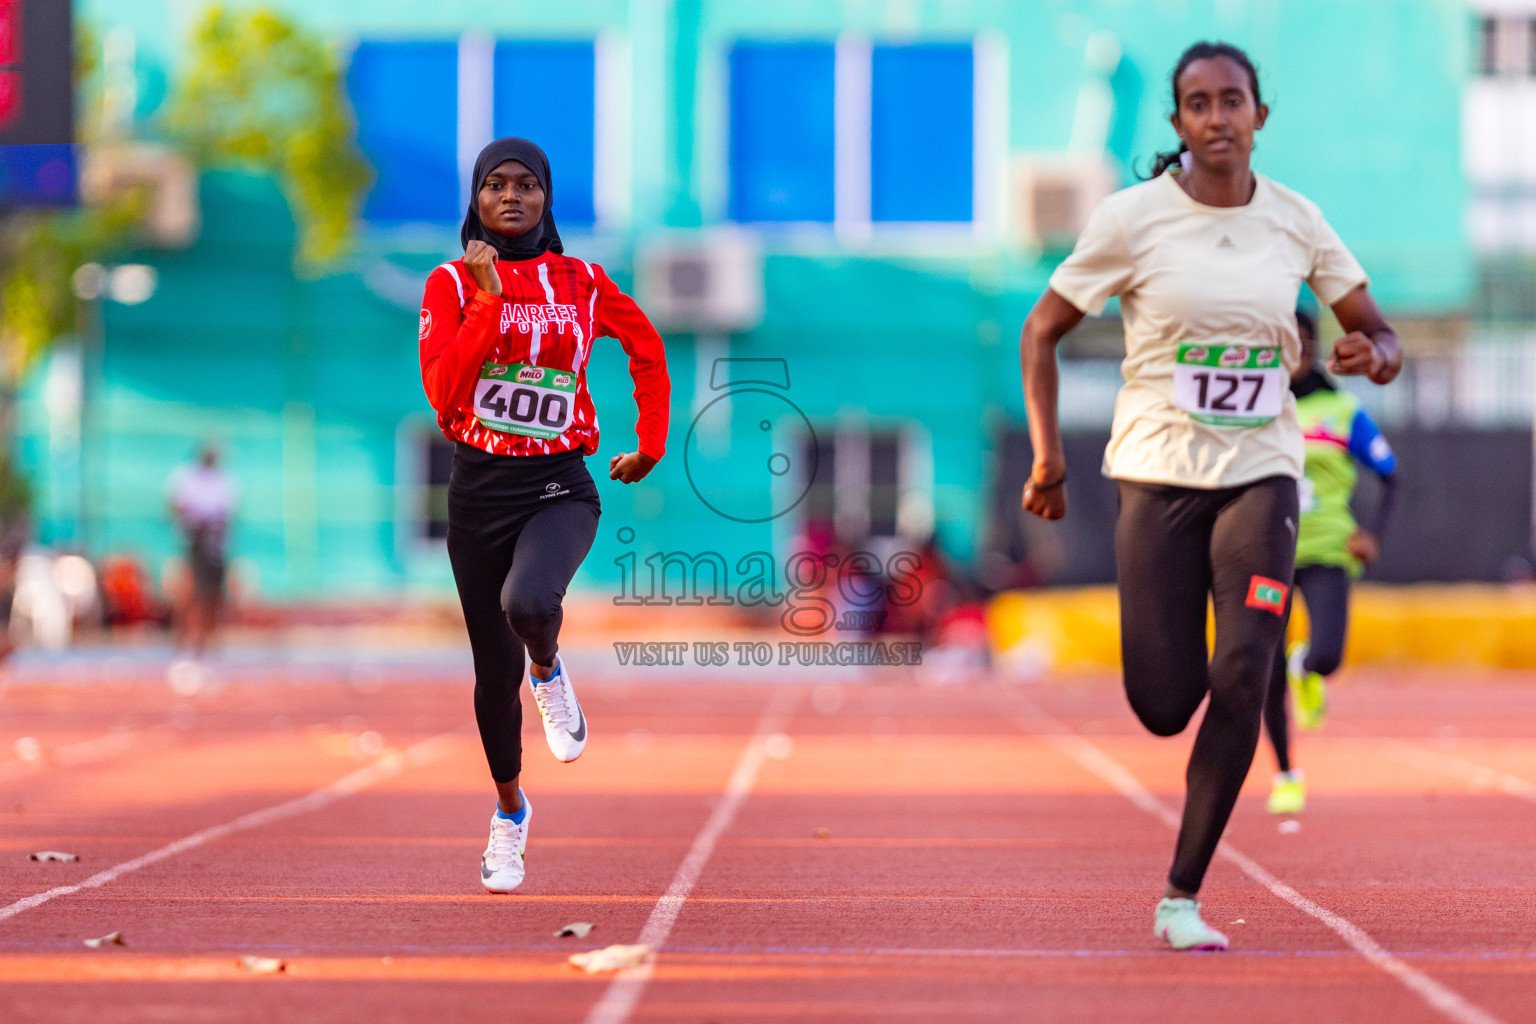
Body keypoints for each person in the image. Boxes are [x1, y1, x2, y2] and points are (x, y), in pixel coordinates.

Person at [1017, 41, 1401, 951]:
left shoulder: (1299, 222)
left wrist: (1368, 354)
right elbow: (1041, 331)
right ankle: (1182, 703)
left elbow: (1379, 334)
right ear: (1180, 122)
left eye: (1233, 101)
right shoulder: (1132, 220)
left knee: (1246, 670)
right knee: (1163, 700)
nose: (1218, 117)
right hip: (1156, 472)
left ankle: (1181, 896)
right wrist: (1047, 460)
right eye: (1198, 103)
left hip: (1261, 473)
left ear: (1259, 116)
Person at [418, 137, 669, 894]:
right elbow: (446, 394)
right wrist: (488, 298)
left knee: (530, 603)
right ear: (476, 200)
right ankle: (509, 813)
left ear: (547, 199)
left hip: (560, 482)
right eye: (496, 186)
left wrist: (649, 441)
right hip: (479, 491)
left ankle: (550, 669)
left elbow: (647, 347)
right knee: (492, 681)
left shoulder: (584, 280)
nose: (512, 197)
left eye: (528, 185)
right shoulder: (449, 284)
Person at [1263, 309, 1399, 815]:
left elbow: (1391, 475)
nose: (1293, 350)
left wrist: (1374, 535)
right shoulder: (1253, 407)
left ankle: (1308, 668)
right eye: (1283, 340)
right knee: (1264, 666)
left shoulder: (1343, 410)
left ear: (1316, 345)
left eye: (1303, 340)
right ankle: (1285, 774)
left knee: (1328, 656)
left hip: (1326, 550)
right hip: (1266, 553)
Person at [167, 445, 236, 658]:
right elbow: (175, 505)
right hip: (192, 543)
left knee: (212, 594)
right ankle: (181, 640)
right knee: (189, 592)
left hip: (214, 543)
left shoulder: (223, 480)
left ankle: (206, 641)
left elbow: (227, 513)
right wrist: (196, 524)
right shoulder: (186, 477)